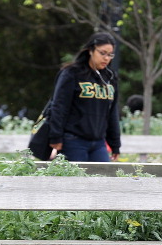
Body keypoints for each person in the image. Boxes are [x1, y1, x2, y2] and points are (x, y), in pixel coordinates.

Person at [49, 32, 121, 162]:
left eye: (110, 55)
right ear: (90, 50)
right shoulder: (71, 73)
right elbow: (59, 106)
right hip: (73, 140)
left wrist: (115, 144)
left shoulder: (110, 77)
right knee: (76, 181)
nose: (106, 58)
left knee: (105, 178)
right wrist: (56, 137)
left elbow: (112, 113)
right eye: (102, 53)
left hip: (98, 142)